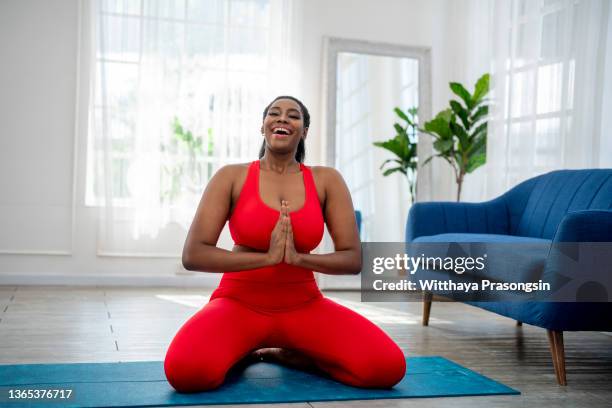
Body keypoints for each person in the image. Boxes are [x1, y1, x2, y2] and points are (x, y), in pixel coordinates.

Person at [164, 95, 406, 393]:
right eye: (274, 113)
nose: (282, 118)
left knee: (386, 367)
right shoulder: (232, 176)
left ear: (304, 131)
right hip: (238, 302)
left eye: (293, 116)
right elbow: (194, 254)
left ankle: (291, 356)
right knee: (185, 372)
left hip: (303, 304)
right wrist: (267, 258)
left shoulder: (326, 180)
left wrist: (299, 259)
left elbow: (353, 259)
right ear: (262, 126)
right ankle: (242, 351)